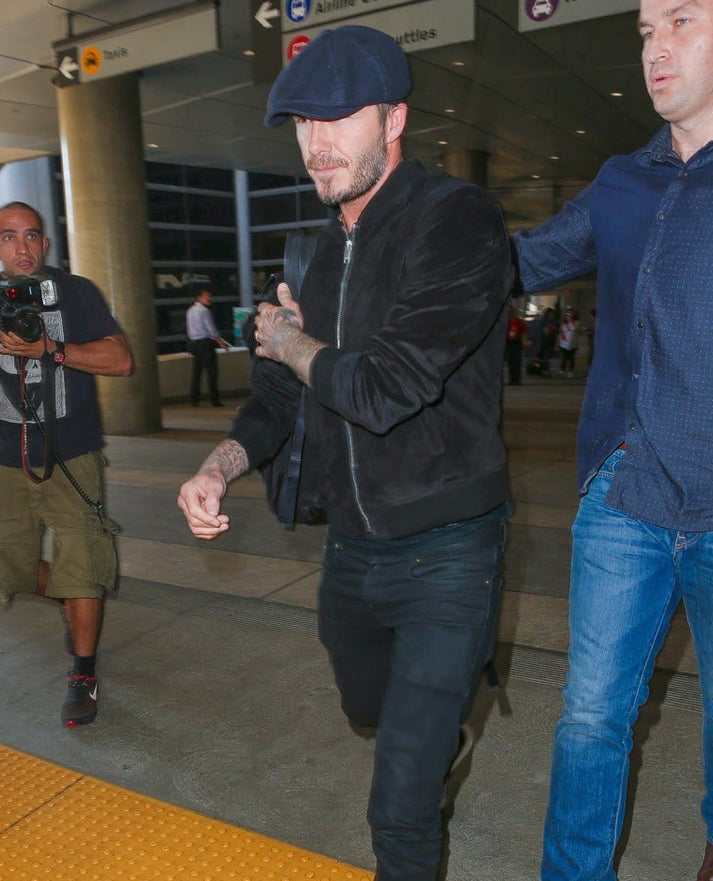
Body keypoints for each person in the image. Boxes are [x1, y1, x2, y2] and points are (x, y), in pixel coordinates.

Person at [178, 25, 513, 881]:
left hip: (448, 547)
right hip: (352, 551)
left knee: (398, 803)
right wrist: (218, 466)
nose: (315, 143)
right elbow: (279, 398)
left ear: (393, 119)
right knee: (367, 709)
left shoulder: (457, 221)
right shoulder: (317, 254)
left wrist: (289, 341)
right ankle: (434, 733)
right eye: (301, 122)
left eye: (337, 118)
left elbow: (385, 387)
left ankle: (424, 755)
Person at [513, 1, 713, 878]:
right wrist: (398, 231)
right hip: (624, 495)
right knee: (590, 717)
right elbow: (518, 262)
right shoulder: (620, 181)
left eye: (681, 21)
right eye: (644, 31)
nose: (655, 48)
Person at [0, 200, 132, 727]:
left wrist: (50, 349)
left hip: (72, 456)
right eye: (9, 236)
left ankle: (83, 673)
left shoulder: (74, 292)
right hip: (5, 462)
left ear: (46, 243)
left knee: (83, 565)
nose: (23, 247)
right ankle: (70, 597)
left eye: (32, 235)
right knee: (10, 566)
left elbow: (120, 360)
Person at [185, 285, 229, 407]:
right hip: (205, 343)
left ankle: (194, 399)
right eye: (206, 296)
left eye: (209, 296)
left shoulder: (190, 310)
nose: (209, 298)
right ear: (199, 298)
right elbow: (211, 330)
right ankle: (214, 400)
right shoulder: (204, 311)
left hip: (194, 344)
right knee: (212, 372)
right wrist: (221, 343)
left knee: (197, 372)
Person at [505, 302, 529, 384]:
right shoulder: (506, 322)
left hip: (516, 343)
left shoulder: (519, 321)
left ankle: (517, 379)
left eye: (512, 310)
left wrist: (524, 342)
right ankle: (512, 380)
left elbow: (524, 332)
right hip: (509, 343)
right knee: (510, 362)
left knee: (517, 362)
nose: (511, 312)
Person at [557, 306, 578, 378]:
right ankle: (562, 369)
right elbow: (561, 331)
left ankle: (570, 371)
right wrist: (559, 338)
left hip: (572, 343)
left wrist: (570, 322)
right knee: (564, 357)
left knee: (571, 358)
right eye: (568, 314)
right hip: (563, 343)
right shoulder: (563, 323)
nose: (569, 315)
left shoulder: (576, 322)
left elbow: (574, 329)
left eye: (571, 314)